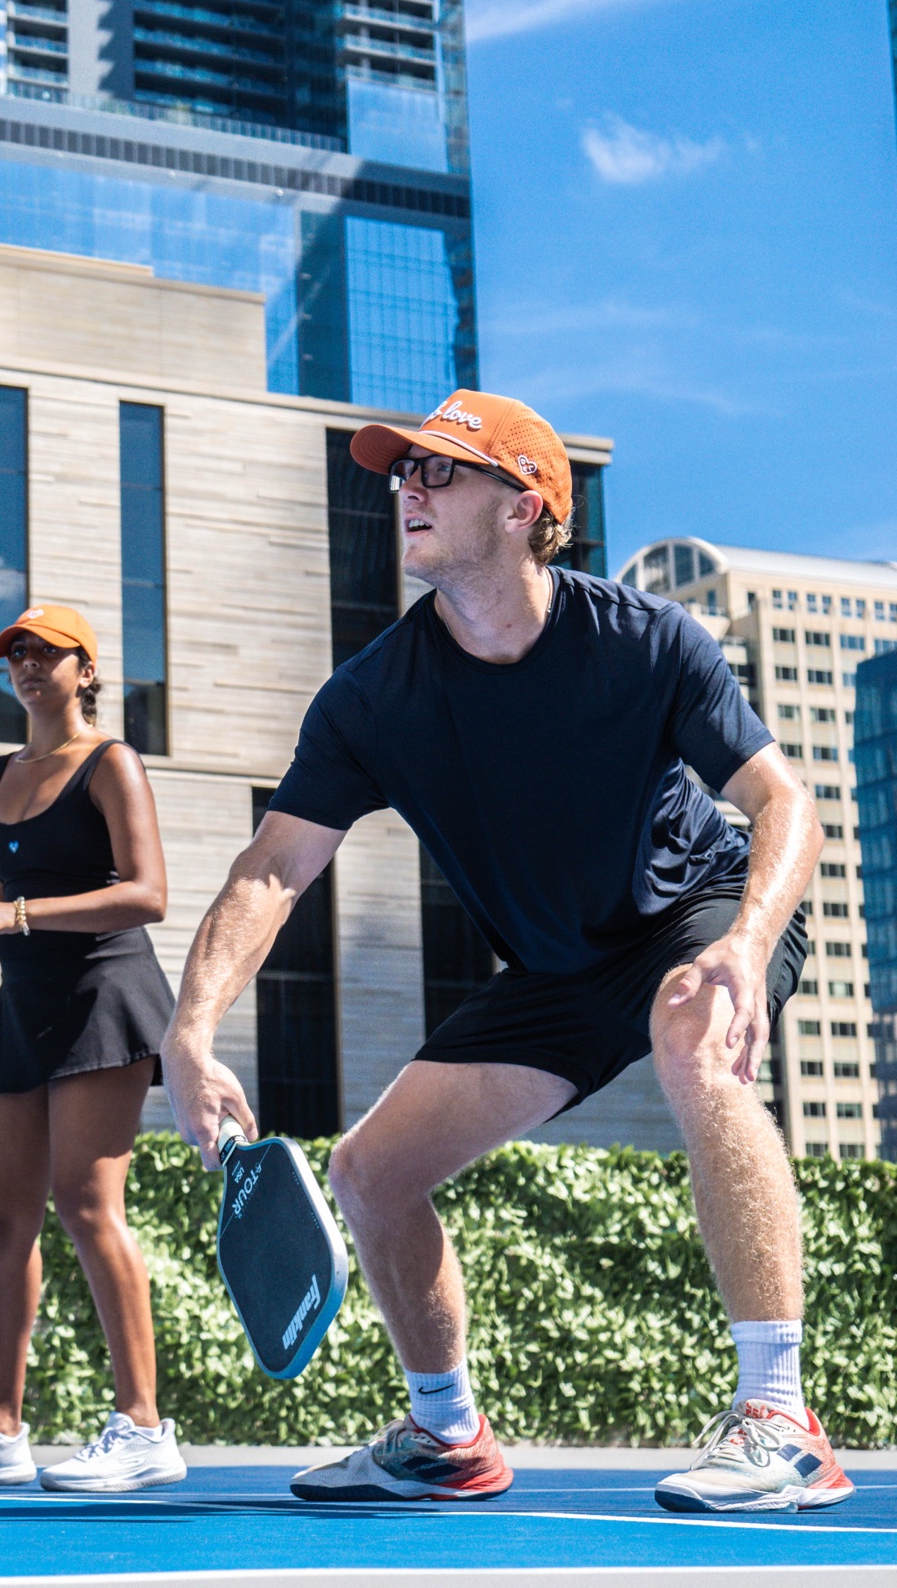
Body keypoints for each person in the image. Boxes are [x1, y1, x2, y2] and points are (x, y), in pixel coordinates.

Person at [161, 390, 855, 1514]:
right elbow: (270, 869)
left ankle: (779, 1418)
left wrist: (744, 941)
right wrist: (188, 1032)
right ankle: (446, 1436)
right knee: (368, 1171)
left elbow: (781, 799)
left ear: (525, 507)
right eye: (403, 474)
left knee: (691, 1028)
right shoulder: (369, 699)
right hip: (552, 969)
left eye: (441, 472)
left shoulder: (644, 644)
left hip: (693, 911)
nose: (408, 491)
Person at [0, 604, 185, 1493]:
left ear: (85, 670)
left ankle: (144, 1429)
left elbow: (149, 894)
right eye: (13, 654)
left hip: (106, 993)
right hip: (25, 1005)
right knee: (2, 1218)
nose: (24, 666)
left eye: (44, 653)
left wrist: (17, 914)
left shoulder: (111, 762)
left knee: (88, 1205)